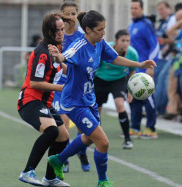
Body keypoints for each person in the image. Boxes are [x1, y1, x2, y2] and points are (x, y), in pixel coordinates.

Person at [47, 10, 156, 187]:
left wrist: (140, 65)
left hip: (89, 99)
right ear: (88, 30)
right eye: (100, 29)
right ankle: (102, 181)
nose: (104, 32)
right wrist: (57, 56)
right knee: (103, 142)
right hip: (74, 102)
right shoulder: (79, 46)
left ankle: (59, 159)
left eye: (104, 28)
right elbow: (63, 57)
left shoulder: (100, 43)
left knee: (89, 138)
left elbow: (115, 58)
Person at [17, 12, 70, 187]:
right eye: (58, 30)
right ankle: (27, 171)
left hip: (45, 103)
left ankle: (50, 178)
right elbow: (35, 83)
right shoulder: (42, 53)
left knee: (63, 137)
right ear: (48, 31)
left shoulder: (56, 49)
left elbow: (61, 69)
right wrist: (63, 87)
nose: (61, 33)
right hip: (30, 101)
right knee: (52, 132)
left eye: (63, 29)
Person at [53, 1, 90, 173]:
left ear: (77, 16)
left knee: (84, 128)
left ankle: (81, 151)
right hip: (61, 84)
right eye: (66, 14)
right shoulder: (56, 35)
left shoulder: (82, 36)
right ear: (61, 15)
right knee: (64, 122)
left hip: (78, 84)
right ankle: (65, 157)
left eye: (73, 14)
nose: (69, 18)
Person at [94, 29, 138, 149]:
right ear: (116, 41)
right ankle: (98, 138)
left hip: (119, 80)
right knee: (97, 110)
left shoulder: (132, 53)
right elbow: (95, 67)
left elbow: (132, 72)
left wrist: (131, 90)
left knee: (120, 105)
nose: (125, 43)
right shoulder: (105, 49)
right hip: (100, 80)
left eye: (128, 41)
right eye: (123, 40)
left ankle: (127, 139)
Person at [128, 0, 159, 139]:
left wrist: (151, 66)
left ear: (142, 9)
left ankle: (151, 128)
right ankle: (135, 127)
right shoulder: (131, 25)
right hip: (135, 68)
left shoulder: (147, 25)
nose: (133, 10)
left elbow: (155, 46)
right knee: (135, 97)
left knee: (148, 98)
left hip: (145, 68)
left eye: (136, 8)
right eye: (132, 8)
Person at [154, 1, 176, 115]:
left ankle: (158, 108)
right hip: (161, 56)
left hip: (168, 57)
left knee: (162, 81)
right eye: (159, 10)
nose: (160, 12)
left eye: (162, 9)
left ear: (169, 9)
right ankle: (156, 107)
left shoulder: (172, 20)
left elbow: (170, 37)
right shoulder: (162, 22)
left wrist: (166, 46)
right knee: (157, 80)